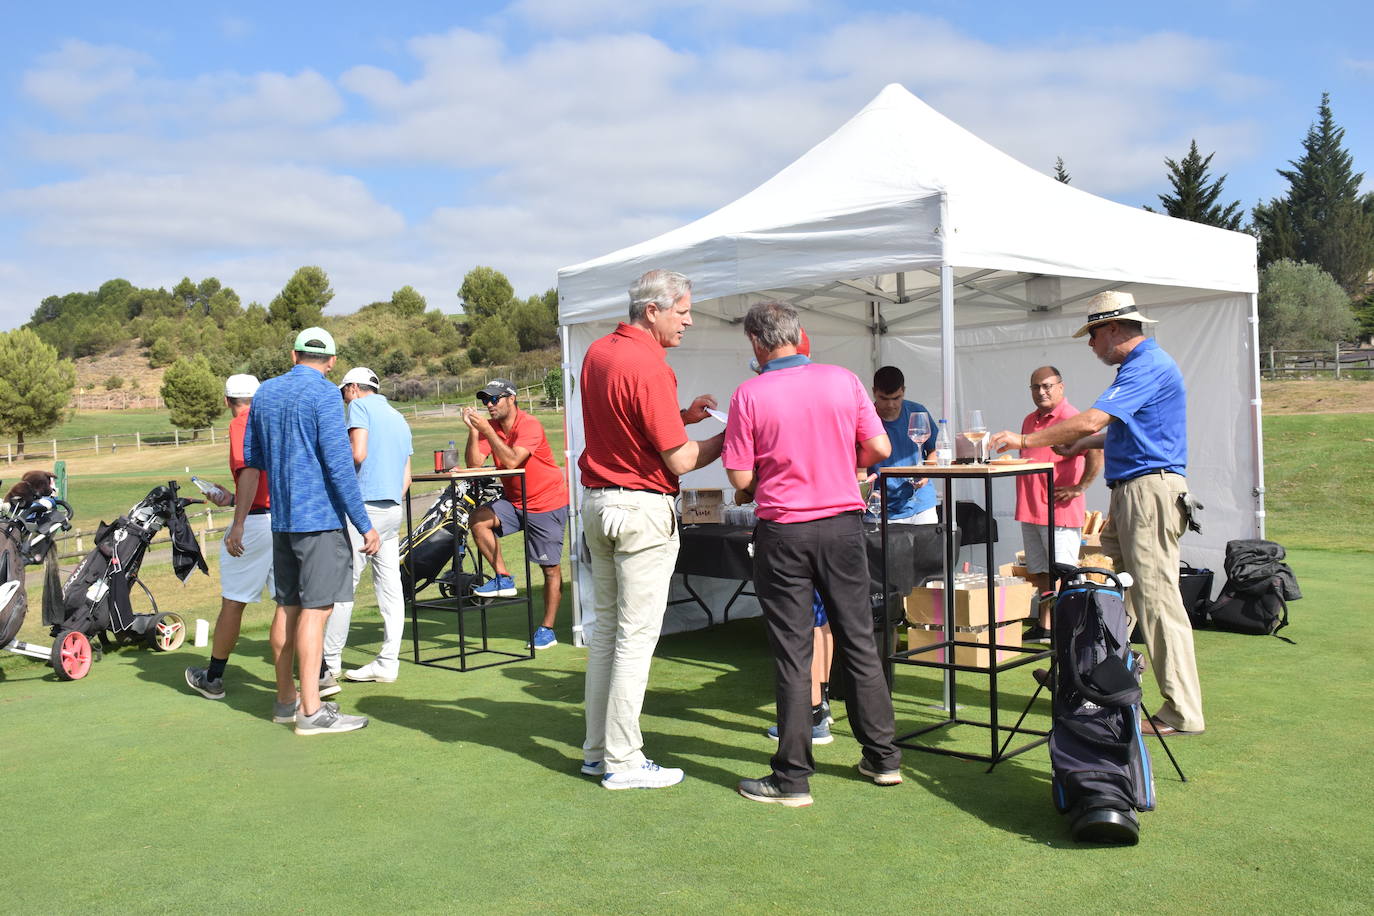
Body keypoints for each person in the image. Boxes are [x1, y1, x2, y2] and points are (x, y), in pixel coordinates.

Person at [989, 291, 1203, 736]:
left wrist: (1027, 441)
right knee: (1104, 590)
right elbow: (1121, 434)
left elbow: (1091, 421)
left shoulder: (1147, 365)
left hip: (1149, 491)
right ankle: (1085, 677)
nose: (1089, 345)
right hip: (1134, 491)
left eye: (1091, 335)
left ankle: (1182, 711)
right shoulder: (1140, 367)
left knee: (1156, 599)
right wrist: (1082, 445)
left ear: (1110, 330)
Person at [724, 300, 903, 807]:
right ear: (799, 335)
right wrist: (843, 462)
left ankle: (793, 778)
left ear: (756, 343)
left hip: (785, 532)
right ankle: (883, 758)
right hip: (843, 526)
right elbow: (880, 450)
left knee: (793, 652)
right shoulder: (843, 380)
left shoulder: (749, 393)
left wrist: (764, 476)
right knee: (859, 641)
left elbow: (739, 478)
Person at [578, 268, 724, 790]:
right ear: (653, 310)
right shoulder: (651, 365)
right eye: (682, 310)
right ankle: (623, 761)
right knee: (635, 639)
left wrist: (682, 416)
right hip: (641, 511)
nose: (688, 320)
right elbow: (681, 461)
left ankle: (598, 753)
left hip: (598, 504)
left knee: (606, 635)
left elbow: (627, 423)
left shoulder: (598, 353)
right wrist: (729, 438)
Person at [226, 328, 380, 736]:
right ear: (330, 362)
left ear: (294, 355)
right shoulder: (327, 394)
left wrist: (239, 520)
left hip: (282, 522)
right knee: (316, 610)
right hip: (320, 521)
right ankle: (311, 711)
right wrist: (364, 523)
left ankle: (285, 700)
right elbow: (338, 463)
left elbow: (251, 464)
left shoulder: (265, 395)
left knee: (288, 607)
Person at [185, 374, 299, 702]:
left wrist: (237, 523)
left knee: (234, 602)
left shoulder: (241, 425)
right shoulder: (278, 420)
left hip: (257, 523)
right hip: (287, 519)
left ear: (227, 401)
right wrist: (233, 499)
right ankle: (316, 672)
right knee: (290, 602)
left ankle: (214, 678)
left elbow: (250, 471)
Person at [462, 378, 569, 650]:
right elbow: (474, 463)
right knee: (478, 519)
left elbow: (511, 461)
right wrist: (476, 431)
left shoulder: (530, 424)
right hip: (515, 502)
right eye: (485, 400)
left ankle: (547, 629)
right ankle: (503, 577)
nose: (488, 405)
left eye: (494, 399)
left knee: (550, 569)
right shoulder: (492, 427)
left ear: (511, 399)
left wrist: (487, 429)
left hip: (547, 503)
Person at [322, 366, 413, 683]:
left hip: (362, 510)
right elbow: (407, 477)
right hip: (392, 510)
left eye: (344, 392)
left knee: (344, 585)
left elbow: (356, 454)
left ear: (353, 389)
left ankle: (329, 664)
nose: (344, 400)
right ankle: (388, 662)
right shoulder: (398, 417)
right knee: (390, 589)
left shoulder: (359, 407)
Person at [1014, 365, 1102, 643]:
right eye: (1036, 387)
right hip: (1030, 508)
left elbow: (1095, 452)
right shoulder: (1029, 420)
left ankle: (1068, 629)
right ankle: (1045, 626)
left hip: (1059, 511)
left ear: (1061, 387)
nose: (1041, 391)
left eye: (1047, 386)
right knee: (1040, 572)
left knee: (1063, 573)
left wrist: (1081, 487)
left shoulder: (1070, 417)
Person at [869, 366, 937, 523]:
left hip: (921, 503)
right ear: (874, 392)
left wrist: (926, 472)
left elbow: (934, 449)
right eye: (884, 399)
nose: (891, 405)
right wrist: (865, 491)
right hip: (878, 504)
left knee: (928, 547)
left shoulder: (918, 412)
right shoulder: (865, 417)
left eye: (896, 398)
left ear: (904, 391)